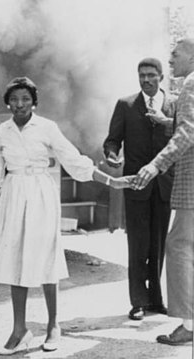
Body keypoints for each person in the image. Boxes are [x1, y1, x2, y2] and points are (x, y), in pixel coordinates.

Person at [0, 77, 132, 355]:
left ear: (34, 102)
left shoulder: (47, 128)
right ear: (7, 102)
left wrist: (113, 182)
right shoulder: (2, 131)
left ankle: (52, 326)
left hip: (41, 196)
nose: (19, 104)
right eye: (14, 99)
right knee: (15, 260)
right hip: (12, 195)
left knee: (46, 259)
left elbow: (74, 161)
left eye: (25, 99)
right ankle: (19, 330)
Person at [103, 58, 177, 321]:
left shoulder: (174, 105)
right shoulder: (126, 105)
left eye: (151, 75)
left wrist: (167, 120)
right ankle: (137, 302)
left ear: (161, 77)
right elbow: (112, 140)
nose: (146, 80)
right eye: (141, 75)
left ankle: (156, 300)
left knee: (158, 243)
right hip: (135, 185)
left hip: (164, 186)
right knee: (137, 243)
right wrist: (112, 155)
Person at [135, 38, 194, 347]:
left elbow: (188, 131)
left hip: (192, 183)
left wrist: (156, 165)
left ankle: (188, 325)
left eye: (175, 53)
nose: (170, 59)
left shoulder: (191, 84)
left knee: (180, 246)